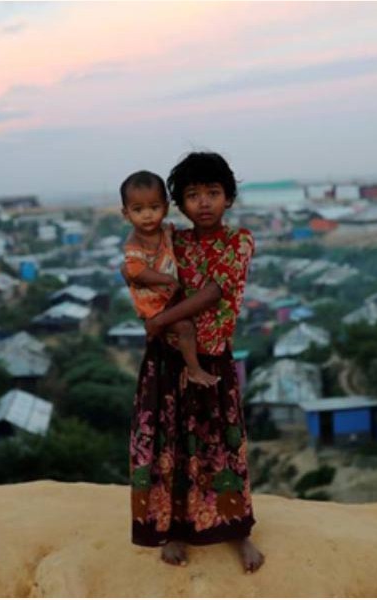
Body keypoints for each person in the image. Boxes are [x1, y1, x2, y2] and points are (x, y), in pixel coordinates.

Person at [126, 152, 265, 573]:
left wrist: (158, 322)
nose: (203, 203)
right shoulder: (174, 240)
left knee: (222, 445)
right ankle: (174, 530)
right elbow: (136, 267)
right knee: (171, 447)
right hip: (168, 360)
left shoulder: (239, 241)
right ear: (178, 204)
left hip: (212, 358)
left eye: (213, 193)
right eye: (192, 195)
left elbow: (212, 293)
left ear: (229, 197)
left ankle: (237, 531)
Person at [120, 170, 220, 388]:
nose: (147, 215)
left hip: (165, 300)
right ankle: (194, 371)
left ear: (164, 208)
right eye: (138, 210)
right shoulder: (135, 241)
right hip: (152, 304)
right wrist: (164, 279)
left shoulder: (165, 231)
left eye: (154, 208)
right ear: (126, 214)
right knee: (185, 328)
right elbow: (135, 270)